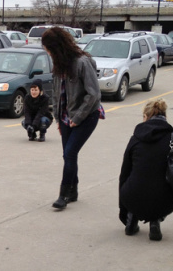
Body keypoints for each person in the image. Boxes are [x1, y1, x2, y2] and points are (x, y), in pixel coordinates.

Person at [41, 27, 102, 210]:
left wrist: (78, 117)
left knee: (69, 153)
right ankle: (73, 190)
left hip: (87, 115)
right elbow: (57, 93)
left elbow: (94, 94)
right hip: (65, 116)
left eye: (49, 50)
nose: (48, 54)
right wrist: (58, 117)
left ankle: (64, 194)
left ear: (57, 48)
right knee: (69, 155)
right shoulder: (59, 65)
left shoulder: (82, 63)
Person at [119, 99, 173, 241]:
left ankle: (131, 220)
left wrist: (123, 208)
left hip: (132, 197)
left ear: (146, 117)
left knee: (137, 185)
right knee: (160, 190)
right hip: (164, 202)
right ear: (165, 117)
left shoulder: (135, 139)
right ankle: (155, 222)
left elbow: (124, 173)